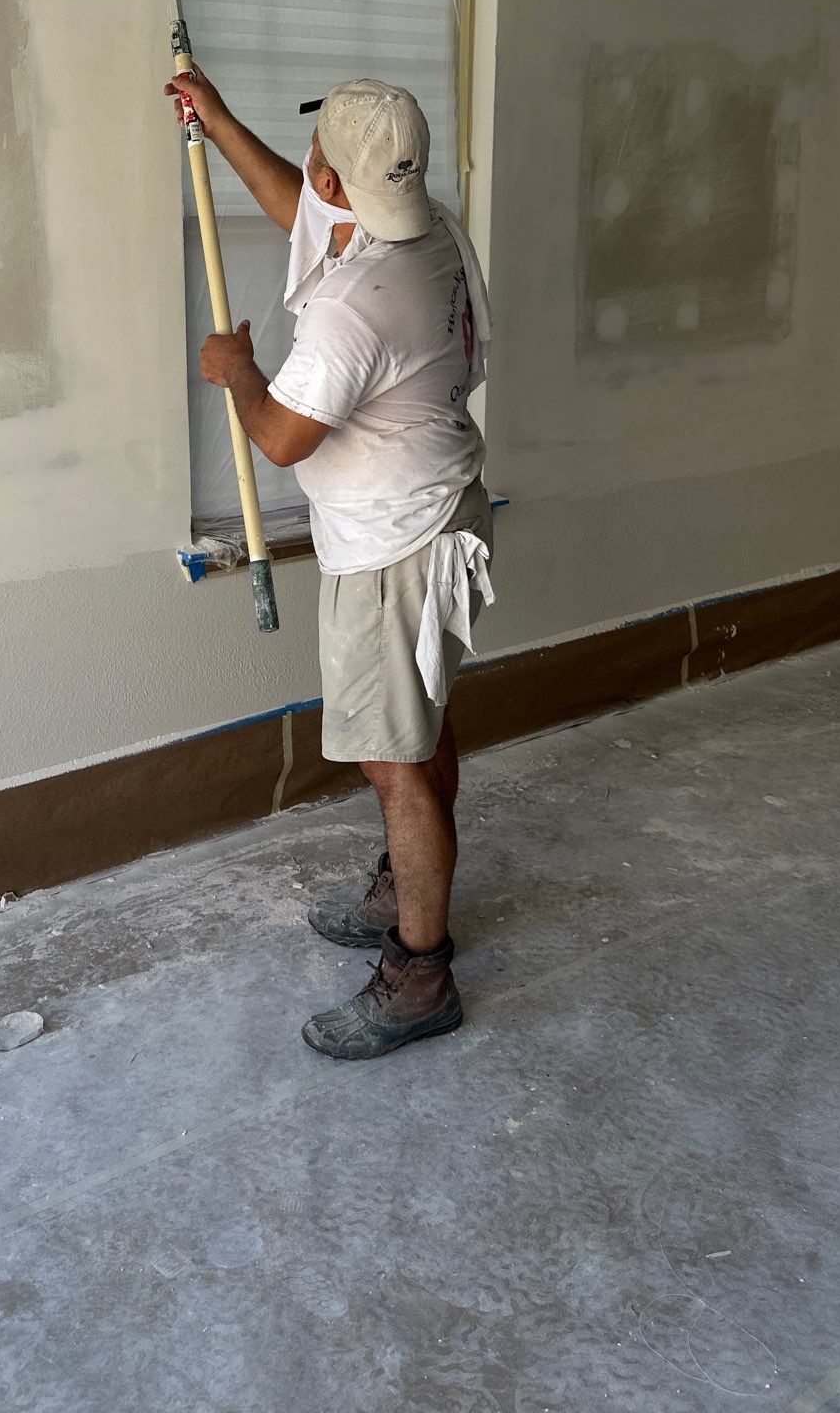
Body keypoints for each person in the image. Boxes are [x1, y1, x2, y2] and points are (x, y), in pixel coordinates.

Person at [166, 66, 494, 1061]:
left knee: (395, 765)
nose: (311, 191)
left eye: (319, 176)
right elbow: (298, 204)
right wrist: (218, 120)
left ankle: (419, 971)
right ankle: (410, 884)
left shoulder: (356, 307)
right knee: (422, 731)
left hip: (391, 551)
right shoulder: (429, 230)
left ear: (337, 177)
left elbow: (279, 440)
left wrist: (237, 373)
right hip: (440, 513)